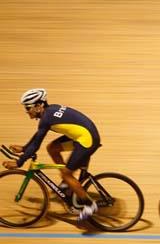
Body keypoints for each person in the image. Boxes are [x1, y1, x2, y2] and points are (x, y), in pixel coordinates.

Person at [2, 88, 101, 222]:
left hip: (87, 139)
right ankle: (68, 184)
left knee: (66, 173)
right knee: (52, 148)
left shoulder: (46, 119)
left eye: (28, 107)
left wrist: (19, 162)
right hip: (84, 135)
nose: (27, 111)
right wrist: (25, 148)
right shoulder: (50, 111)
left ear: (38, 106)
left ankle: (89, 205)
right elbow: (38, 135)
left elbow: (36, 144)